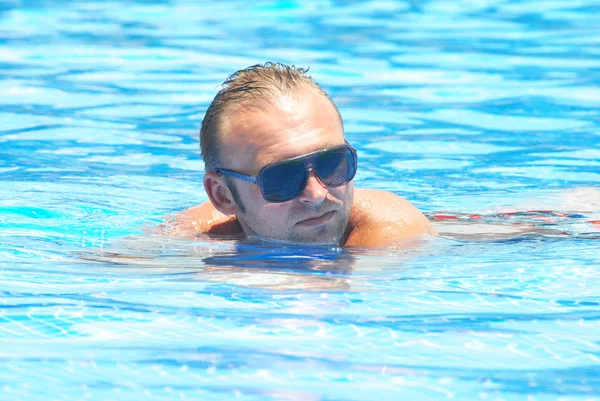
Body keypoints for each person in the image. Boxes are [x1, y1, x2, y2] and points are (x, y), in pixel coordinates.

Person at [169, 62, 438, 247]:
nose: (317, 194)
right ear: (223, 195)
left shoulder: (392, 233)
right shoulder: (200, 232)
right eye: (282, 177)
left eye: (332, 163)